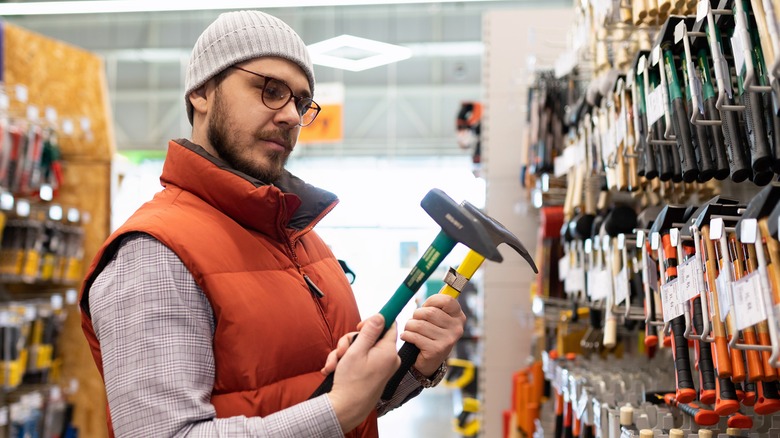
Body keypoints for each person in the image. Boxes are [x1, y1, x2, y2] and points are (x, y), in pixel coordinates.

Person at [78, 9, 466, 438]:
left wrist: (417, 363)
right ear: (202, 93)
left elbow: (340, 402)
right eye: (271, 90)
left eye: (300, 102)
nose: (290, 116)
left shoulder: (302, 239)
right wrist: (336, 410)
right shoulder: (154, 253)